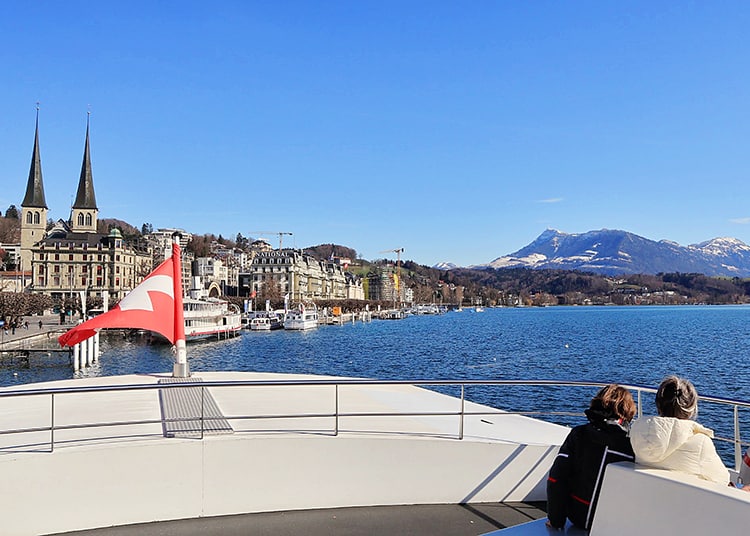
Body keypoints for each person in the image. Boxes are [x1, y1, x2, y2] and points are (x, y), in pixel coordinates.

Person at [546, 384, 636, 531]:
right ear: (627, 411)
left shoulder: (579, 435)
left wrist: (556, 520)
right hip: (615, 522)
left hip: (578, 516)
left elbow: (556, 479)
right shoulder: (632, 445)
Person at [630, 375, 729, 485]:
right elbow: (722, 481)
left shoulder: (637, 433)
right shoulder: (701, 442)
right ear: (691, 409)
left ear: (658, 405)